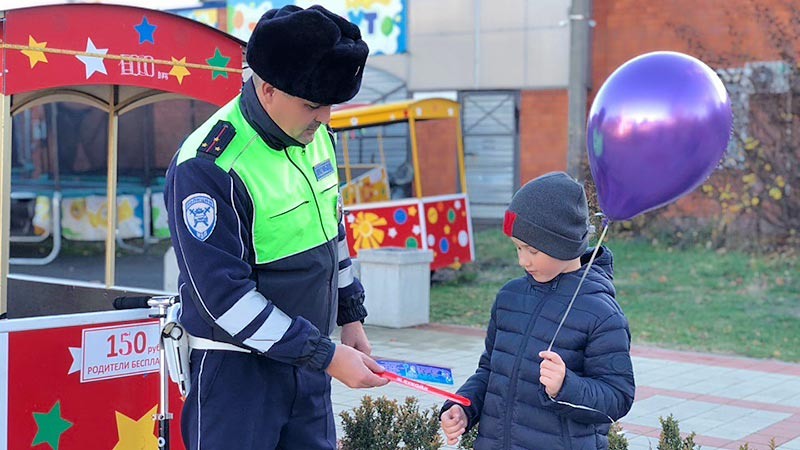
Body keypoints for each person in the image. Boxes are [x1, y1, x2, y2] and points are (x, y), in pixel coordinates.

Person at [164, 5, 388, 450]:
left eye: (330, 104)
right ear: (267, 89)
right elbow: (223, 299)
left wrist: (350, 315)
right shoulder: (208, 166)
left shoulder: (315, 134)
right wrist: (325, 354)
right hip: (237, 378)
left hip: (308, 364)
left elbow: (332, 228)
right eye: (313, 105)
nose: (324, 117)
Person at [439, 172, 636, 449]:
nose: (523, 260)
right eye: (518, 248)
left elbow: (617, 398)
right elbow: (490, 371)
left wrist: (565, 387)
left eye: (531, 250)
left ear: (563, 243)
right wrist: (463, 407)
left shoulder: (602, 314)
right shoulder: (510, 297)